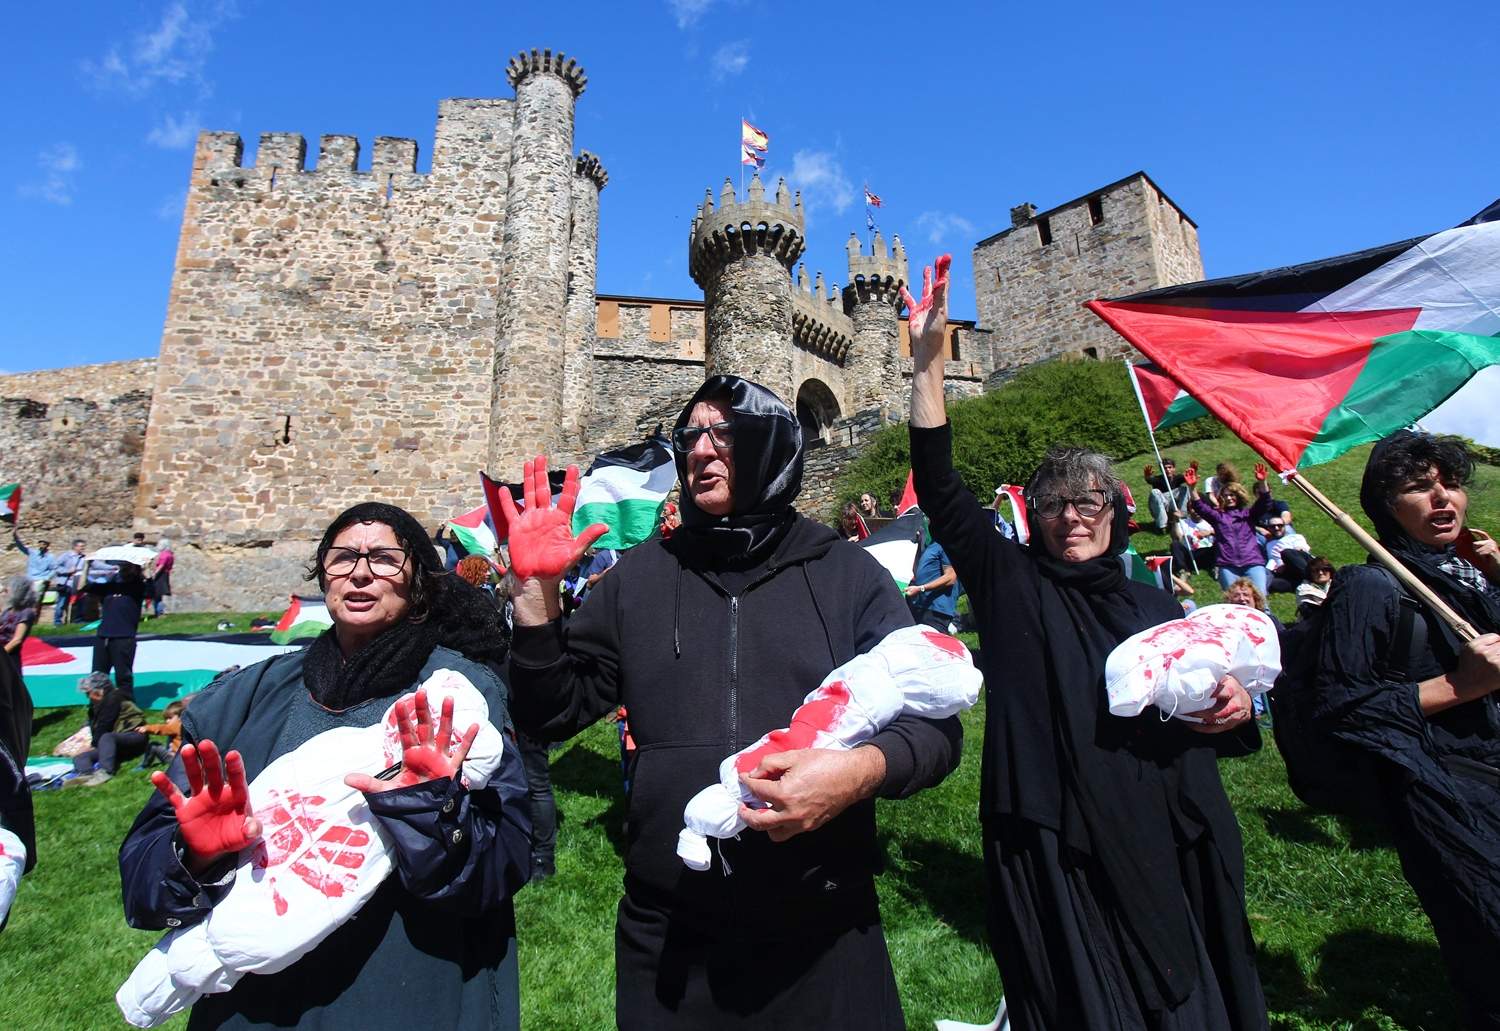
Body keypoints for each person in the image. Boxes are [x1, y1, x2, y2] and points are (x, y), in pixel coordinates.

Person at [504, 376, 962, 1029]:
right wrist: (534, 599)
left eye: (725, 433)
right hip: (671, 938)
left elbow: (936, 729)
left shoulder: (846, 574)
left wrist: (855, 775)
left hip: (824, 932)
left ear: (773, 445)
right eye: (691, 434)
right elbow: (549, 711)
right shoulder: (638, 578)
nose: (699, 450)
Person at [906, 253, 1266, 1031]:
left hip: (1163, 832)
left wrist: (1236, 705)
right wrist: (928, 365)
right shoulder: (1009, 583)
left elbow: (1216, 700)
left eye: (1090, 499)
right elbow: (940, 488)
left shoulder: (1149, 603)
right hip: (1052, 834)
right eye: (1057, 502)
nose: (1074, 515)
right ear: (1035, 515)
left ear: (1116, 512)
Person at [118, 501, 531, 1029]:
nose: (360, 571)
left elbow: (504, 865)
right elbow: (143, 883)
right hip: (255, 1008)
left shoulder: (462, 697)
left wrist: (429, 812)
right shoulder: (244, 699)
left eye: (384, 558)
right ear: (323, 575)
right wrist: (193, 857)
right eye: (342, 558)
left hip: (406, 995)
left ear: (419, 584)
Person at [1309, 431, 1500, 1029]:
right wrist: (1460, 686)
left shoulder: (1467, 574)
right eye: (1420, 488)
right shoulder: (1369, 588)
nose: (1444, 499)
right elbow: (1341, 707)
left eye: (1451, 484)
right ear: (1385, 506)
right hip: (1444, 788)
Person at [1188, 472, 1275, 596]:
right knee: (1234, 605)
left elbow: (1265, 502)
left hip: (1252, 563)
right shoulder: (1218, 517)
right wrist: (1192, 488)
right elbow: (1199, 507)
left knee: (1261, 602)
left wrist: (1262, 482)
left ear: (1239, 496)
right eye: (1225, 496)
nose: (1229, 498)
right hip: (1227, 566)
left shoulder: (1249, 515)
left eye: (1232, 495)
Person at [70, 670, 148, 785]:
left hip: (135, 736)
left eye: (88, 693)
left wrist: (94, 745)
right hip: (115, 744)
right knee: (80, 757)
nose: (88, 697)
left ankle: (106, 772)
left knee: (107, 737)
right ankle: (86, 774)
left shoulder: (114, 698)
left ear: (99, 691)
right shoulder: (97, 705)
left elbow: (104, 726)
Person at [83, 559, 146, 700]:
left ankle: (127, 708)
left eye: (126, 567)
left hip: (124, 637)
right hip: (103, 636)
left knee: (123, 676)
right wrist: (86, 566)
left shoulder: (138, 587)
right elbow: (83, 587)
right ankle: (96, 710)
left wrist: (144, 569)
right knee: (97, 676)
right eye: (122, 567)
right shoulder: (110, 586)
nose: (123, 569)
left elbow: (151, 590)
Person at [0, 577, 39, 761]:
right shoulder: (8, 610)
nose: (5, 592)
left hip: (9, 656)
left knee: (12, 692)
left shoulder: (27, 613)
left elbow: (16, 639)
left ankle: (18, 727)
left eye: (8, 589)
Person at [905, 540, 961, 632]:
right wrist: (919, 544)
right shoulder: (931, 545)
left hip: (936, 611)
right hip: (922, 606)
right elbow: (915, 570)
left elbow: (950, 577)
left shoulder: (944, 544)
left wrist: (921, 588)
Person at [1144, 457, 1192, 531]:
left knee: (1184, 489)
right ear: (1162, 470)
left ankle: (1183, 518)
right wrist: (1147, 477)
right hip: (1163, 506)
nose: (1168, 470)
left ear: (1174, 468)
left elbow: (1188, 479)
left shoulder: (1178, 478)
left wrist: (1193, 471)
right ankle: (1163, 526)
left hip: (1174, 505)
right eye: (1165, 468)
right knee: (1155, 492)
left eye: (1170, 467)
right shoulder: (1158, 479)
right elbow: (1150, 480)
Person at [1264, 518, 1312, 592]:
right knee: (1271, 582)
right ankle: (1302, 585)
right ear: (1268, 528)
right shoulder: (1269, 544)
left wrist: (1283, 563)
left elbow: (1300, 550)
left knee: (1286, 553)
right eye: (1272, 526)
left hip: (1302, 566)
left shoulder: (1295, 537)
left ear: (1285, 526)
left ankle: (1311, 580)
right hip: (1288, 574)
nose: (1276, 528)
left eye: (1279, 525)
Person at [50, 539, 86, 625]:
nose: (83, 548)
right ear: (75, 547)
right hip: (65, 584)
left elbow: (95, 565)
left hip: (77, 584)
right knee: (61, 603)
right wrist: (67, 570)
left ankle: (77, 620)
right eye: (81, 546)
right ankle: (57, 622)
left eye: (83, 546)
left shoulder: (84, 558)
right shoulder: (66, 556)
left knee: (79, 602)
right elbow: (55, 567)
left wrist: (112, 568)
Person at [150, 538, 175, 617]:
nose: (158, 546)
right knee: (158, 594)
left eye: (160, 544)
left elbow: (161, 565)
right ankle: (158, 612)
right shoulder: (170, 554)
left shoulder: (164, 554)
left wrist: (154, 574)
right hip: (165, 574)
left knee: (157, 594)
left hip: (161, 575)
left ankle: (159, 612)